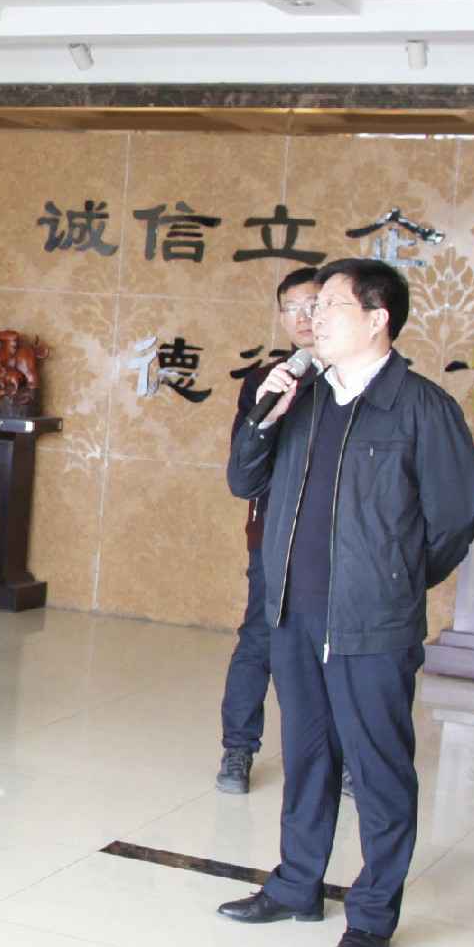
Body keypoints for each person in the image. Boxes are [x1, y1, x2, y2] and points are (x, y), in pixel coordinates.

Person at [219, 258, 474, 947]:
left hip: (372, 626)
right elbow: (243, 479)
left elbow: (454, 520)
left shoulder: (421, 407)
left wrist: (395, 583)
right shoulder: (298, 395)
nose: (314, 318)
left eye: (331, 305)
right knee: (307, 757)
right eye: (311, 306)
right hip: (293, 615)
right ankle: (295, 884)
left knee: (379, 768)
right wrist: (262, 418)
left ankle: (371, 914)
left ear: (377, 319)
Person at [216, 267, 320, 795]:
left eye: (313, 305)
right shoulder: (266, 380)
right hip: (274, 534)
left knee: (331, 648)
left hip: (333, 541)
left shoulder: (353, 378)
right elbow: (243, 465)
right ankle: (238, 749)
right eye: (290, 308)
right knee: (259, 637)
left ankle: (341, 758)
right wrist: (271, 411)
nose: (302, 318)